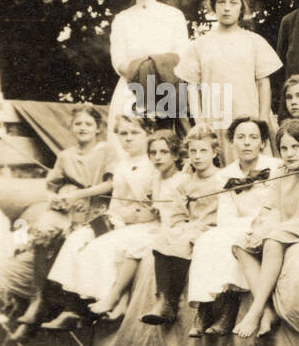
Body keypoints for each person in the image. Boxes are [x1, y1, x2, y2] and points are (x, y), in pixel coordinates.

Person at [11, 105, 120, 337]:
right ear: (71, 127)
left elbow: (111, 184)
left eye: (88, 124)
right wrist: (57, 199)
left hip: (94, 207)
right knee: (41, 232)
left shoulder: (107, 151)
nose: (83, 128)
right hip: (66, 207)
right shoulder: (65, 155)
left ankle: (72, 308)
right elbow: (51, 186)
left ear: (98, 129)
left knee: (77, 241)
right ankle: (37, 299)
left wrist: (78, 195)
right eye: (78, 124)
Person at [42, 115, 156, 328]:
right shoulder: (121, 164)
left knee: (99, 247)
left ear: (147, 135)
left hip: (144, 222)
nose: (128, 138)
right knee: (77, 238)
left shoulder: (153, 162)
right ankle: (75, 308)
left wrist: (137, 214)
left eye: (134, 133)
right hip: (120, 218)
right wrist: (110, 219)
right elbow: (115, 199)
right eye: (123, 134)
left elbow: (155, 202)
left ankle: (112, 301)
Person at [185, 118, 284, 336]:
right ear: (232, 142)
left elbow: (277, 206)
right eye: (240, 137)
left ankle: (228, 313)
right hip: (237, 223)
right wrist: (240, 226)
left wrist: (257, 226)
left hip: (267, 222)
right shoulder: (225, 175)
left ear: (263, 142)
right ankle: (204, 308)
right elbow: (226, 216)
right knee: (207, 240)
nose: (247, 143)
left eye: (253, 137)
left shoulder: (276, 167)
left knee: (235, 238)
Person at [232, 119, 299, 338]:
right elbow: (271, 208)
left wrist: (274, 230)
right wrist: (261, 228)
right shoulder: (279, 171)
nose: (289, 153)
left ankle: (254, 312)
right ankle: (267, 310)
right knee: (241, 243)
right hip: (284, 228)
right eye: (284, 148)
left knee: (274, 239)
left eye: (296, 147)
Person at [175, 0, 282, 163]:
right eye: (221, 2)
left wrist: (262, 119)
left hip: (248, 115)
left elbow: (264, 83)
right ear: (213, 7)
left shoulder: (254, 41)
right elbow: (192, 87)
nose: (227, 8)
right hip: (214, 118)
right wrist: (200, 121)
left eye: (233, 3)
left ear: (242, 8)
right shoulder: (200, 45)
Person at [90, 131, 185, 322]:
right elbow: (155, 206)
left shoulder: (182, 180)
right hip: (158, 225)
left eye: (164, 152)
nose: (158, 157)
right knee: (122, 246)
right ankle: (123, 302)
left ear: (175, 155)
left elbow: (183, 212)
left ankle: (114, 296)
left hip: (174, 229)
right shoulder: (157, 180)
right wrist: (151, 210)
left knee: (136, 248)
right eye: (153, 153)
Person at [141, 128, 224, 326]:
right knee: (165, 238)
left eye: (203, 151)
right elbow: (177, 215)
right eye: (193, 152)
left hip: (214, 228)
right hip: (190, 227)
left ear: (214, 152)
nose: (197, 156)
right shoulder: (185, 183)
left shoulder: (223, 179)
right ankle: (163, 300)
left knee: (183, 241)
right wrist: (181, 226)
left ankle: (171, 301)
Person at [104, 0, 191, 135]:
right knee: (130, 136)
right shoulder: (122, 19)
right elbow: (118, 60)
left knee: (170, 138)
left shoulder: (173, 15)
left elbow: (182, 54)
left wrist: (160, 71)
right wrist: (141, 72)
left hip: (169, 85)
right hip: (132, 87)